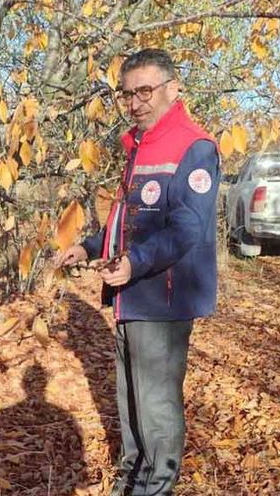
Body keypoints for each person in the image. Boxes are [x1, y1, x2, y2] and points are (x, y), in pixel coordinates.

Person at [55, 48, 220, 495]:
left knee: (156, 403)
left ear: (173, 88)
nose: (136, 102)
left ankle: (157, 484)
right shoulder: (139, 145)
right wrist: (89, 247)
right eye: (128, 94)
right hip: (131, 292)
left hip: (164, 297)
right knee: (131, 398)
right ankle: (133, 475)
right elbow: (127, 219)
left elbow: (188, 226)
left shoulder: (194, 147)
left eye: (145, 90)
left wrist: (135, 263)